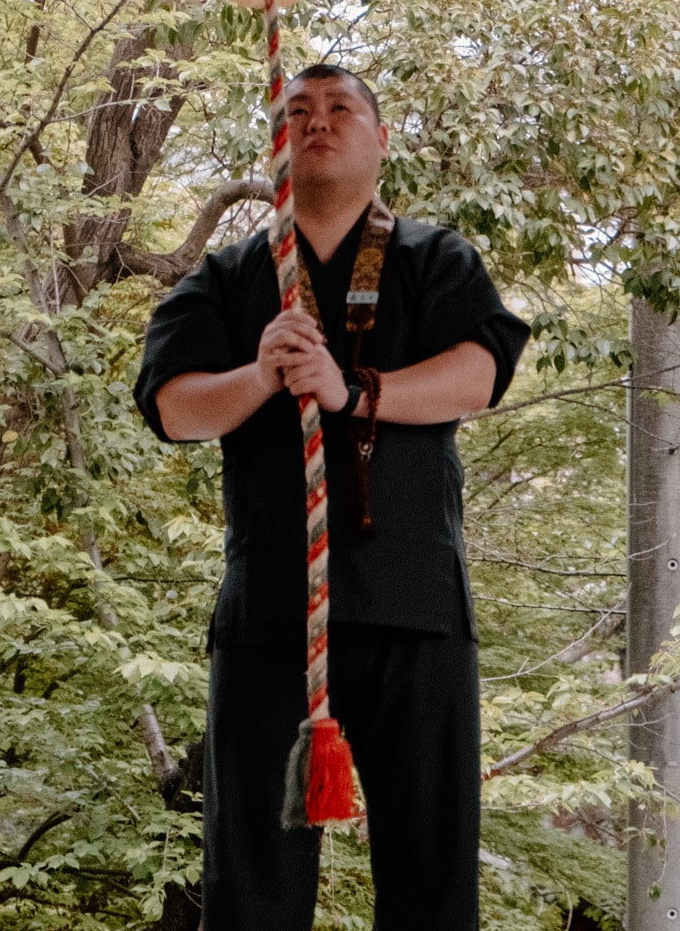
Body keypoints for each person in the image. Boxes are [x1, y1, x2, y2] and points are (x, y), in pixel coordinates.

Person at [134, 64, 529, 931]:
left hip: (412, 600)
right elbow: (172, 406)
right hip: (274, 610)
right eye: (296, 111)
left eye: (340, 108)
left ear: (380, 140)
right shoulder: (233, 275)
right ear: (274, 144)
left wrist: (352, 389)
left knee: (432, 876)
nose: (317, 122)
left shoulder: (435, 258)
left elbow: (478, 374)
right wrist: (262, 372)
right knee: (251, 885)